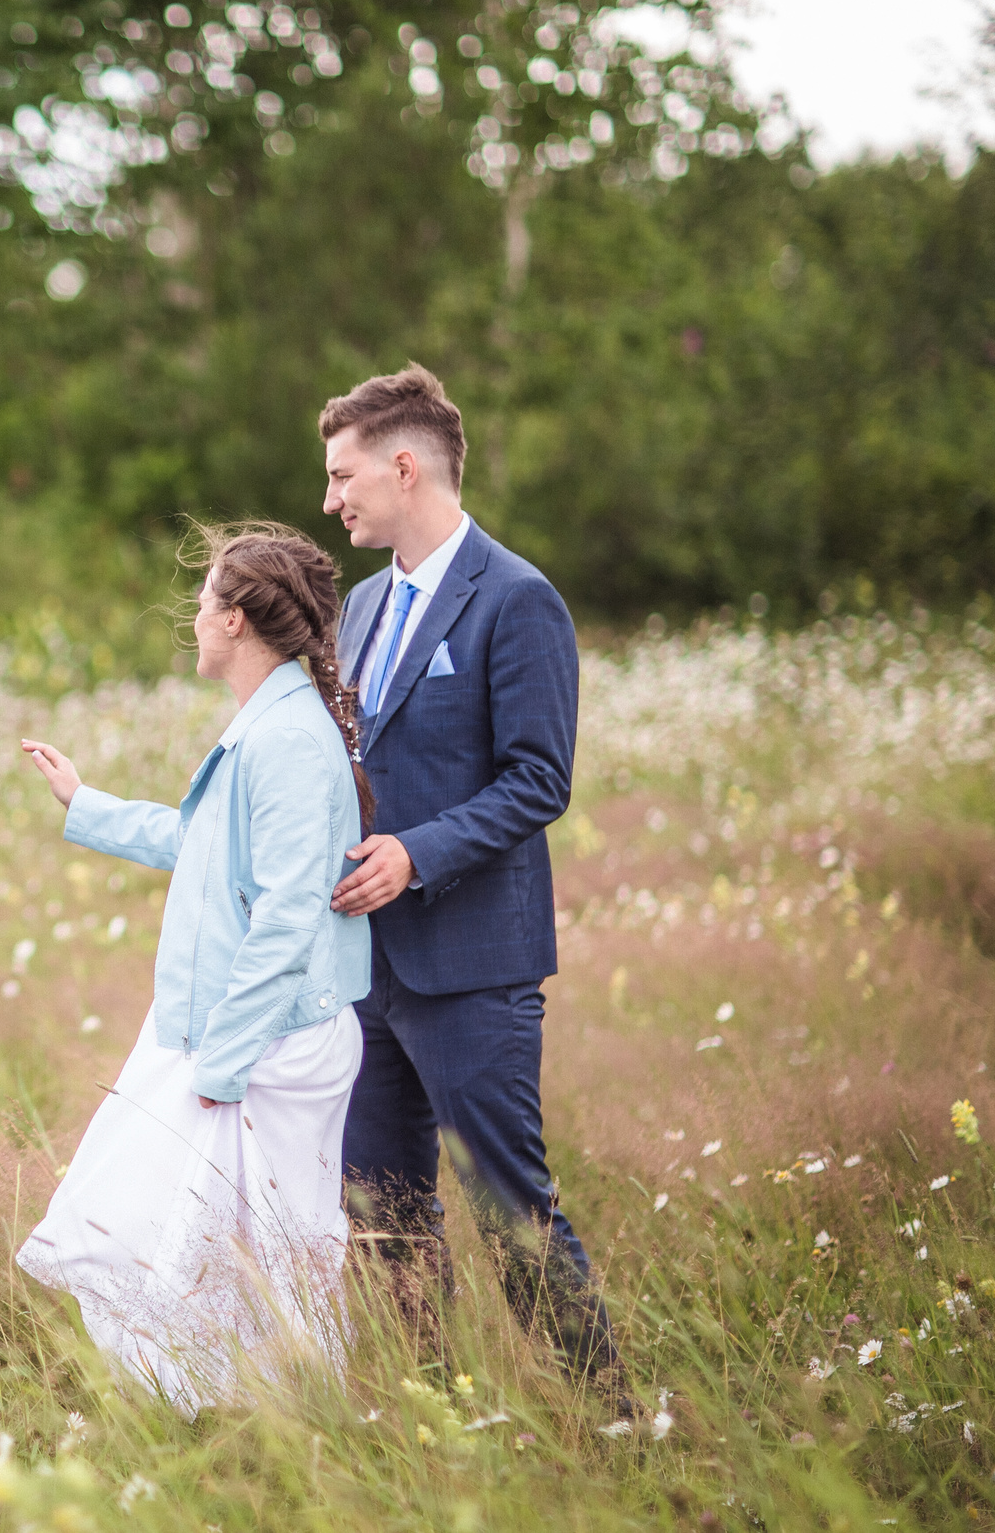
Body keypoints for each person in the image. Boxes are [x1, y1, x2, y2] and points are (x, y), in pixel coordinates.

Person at [15, 523, 374, 1414]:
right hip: (227, 1032)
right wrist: (84, 801)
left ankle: (293, 1422)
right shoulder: (269, 725)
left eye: (205, 598)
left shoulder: (286, 740)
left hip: (265, 1045)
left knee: (263, 1259)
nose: (196, 616)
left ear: (237, 619)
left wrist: (222, 1061)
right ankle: (223, 1420)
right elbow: (200, 842)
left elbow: (288, 917)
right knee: (184, 1242)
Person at [319, 364, 619, 1382]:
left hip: (473, 968)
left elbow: (539, 779)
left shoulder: (519, 599)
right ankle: (428, 1419)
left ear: (404, 467)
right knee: (380, 1214)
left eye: (343, 475)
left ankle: (611, 1419)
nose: (331, 498)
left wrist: (417, 853)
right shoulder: (361, 606)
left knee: (508, 1212)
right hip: (365, 969)